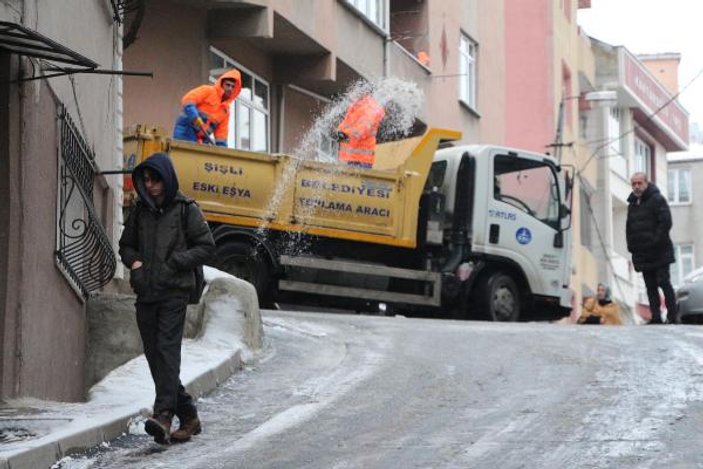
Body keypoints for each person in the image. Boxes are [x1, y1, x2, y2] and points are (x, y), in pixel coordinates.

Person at [119, 153, 215, 444]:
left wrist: (175, 261)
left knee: (167, 351)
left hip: (174, 291)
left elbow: (206, 247)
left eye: (155, 179)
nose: (150, 185)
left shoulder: (186, 209)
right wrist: (135, 263)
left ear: (167, 178)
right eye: (146, 180)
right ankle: (188, 415)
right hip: (146, 291)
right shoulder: (140, 211)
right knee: (154, 355)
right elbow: (126, 245)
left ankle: (163, 415)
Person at [626, 172, 678, 324]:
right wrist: (632, 247)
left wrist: (656, 241)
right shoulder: (633, 205)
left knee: (664, 282)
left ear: (646, 183)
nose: (636, 186)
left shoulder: (657, 199)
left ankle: (672, 316)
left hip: (659, 251)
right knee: (650, 286)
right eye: (634, 184)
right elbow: (630, 228)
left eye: (639, 183)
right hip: (643, 253)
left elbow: (665, 223)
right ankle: (656, 317)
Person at [173, 69, 242, 147]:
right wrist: (195, 117)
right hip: (186, 129)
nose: (230, 88)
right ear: (221, 84)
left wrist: (223, 151)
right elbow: (188, 100)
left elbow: (221, 135)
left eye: (233, 86)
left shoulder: (225, 111)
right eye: (227, 85)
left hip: (202, 138)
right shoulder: (208, 91)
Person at [335, 94, 386, 168]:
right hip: (351, 158)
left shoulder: (370, 107)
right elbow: (345, 127)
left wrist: (342, 133)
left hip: (361, 160)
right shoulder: (355, 106)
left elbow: (360, 132)